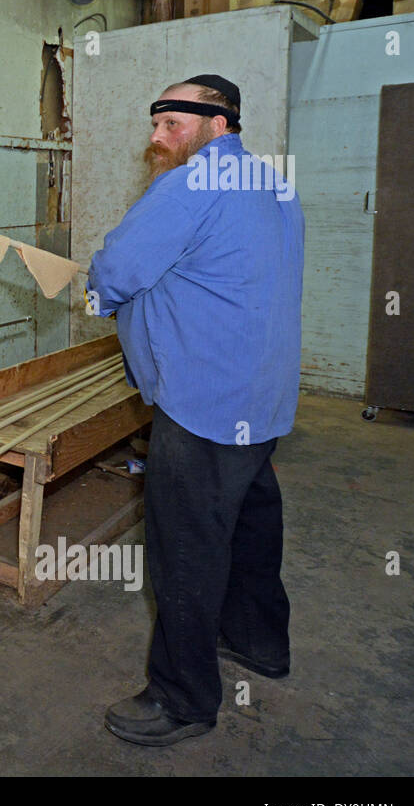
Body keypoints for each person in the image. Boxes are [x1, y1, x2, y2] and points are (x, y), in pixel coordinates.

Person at [85, 74, 305, 747]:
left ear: (219, 124)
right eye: (155, 124)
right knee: (250, 526)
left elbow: (118, 268)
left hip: (202, 403)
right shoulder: (277, 188)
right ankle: (259, 643)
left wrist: (100, 285)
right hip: (260, 400)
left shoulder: (190, 186)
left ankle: (182, 700)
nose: (157, 139)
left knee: (185, 550)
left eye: (172, 125)